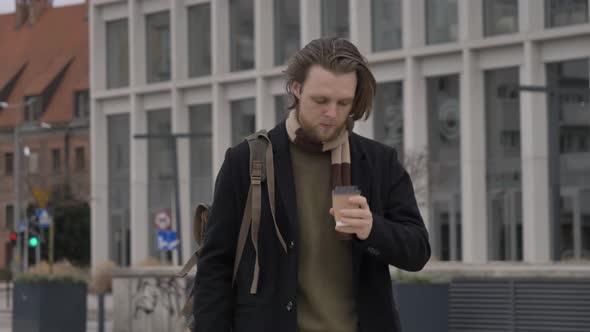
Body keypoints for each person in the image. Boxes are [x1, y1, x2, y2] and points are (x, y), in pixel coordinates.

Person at [194, 37, 431, 332]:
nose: (332, 113)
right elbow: (215, 266)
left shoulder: (378, 162)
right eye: (321, 100)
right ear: (296, 88)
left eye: (343, 102)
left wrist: (372, 229)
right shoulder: (246, 161)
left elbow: (418, 250)